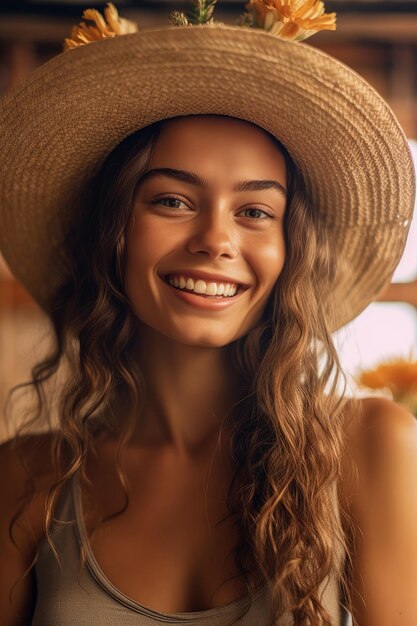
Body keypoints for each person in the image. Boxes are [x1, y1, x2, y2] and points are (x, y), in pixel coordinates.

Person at [0, 2, 416, 625]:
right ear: (113, 232)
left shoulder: (374, 448)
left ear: (288, 250)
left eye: (254, 212)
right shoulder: (26, 479)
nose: (216, 240)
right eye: (172, 199)